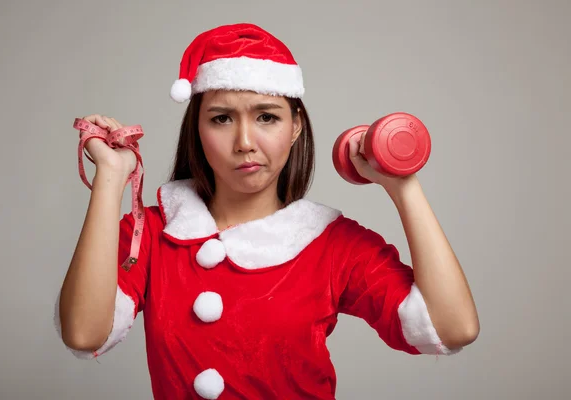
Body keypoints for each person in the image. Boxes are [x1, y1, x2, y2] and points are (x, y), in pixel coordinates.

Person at [54, 22, 479, 400]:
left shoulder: (333, 243)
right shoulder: (152, 233)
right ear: (197, 130)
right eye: (221, 119)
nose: (244, 141)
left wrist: (402, 185)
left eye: (267, 117)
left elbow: (451, 328)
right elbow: (83, 333)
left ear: (295, 126)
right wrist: (111, 179)